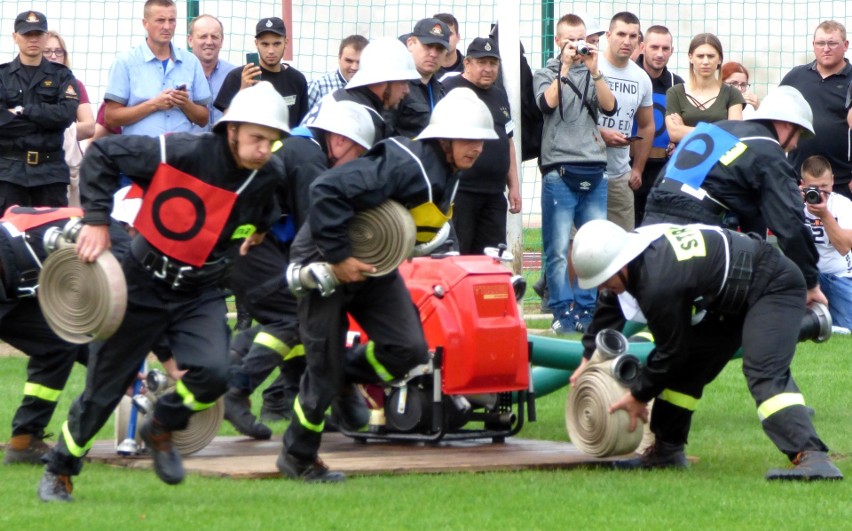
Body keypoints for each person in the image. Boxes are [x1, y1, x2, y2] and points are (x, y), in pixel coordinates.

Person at [37, 81, 290, 502]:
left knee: (214, 375)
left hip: (201, 293)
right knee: (102, 393)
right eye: (256, 138)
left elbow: (265, 211)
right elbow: (101, 153)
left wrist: (259, 232)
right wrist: (97, 220)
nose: (264, 149)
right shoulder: (182, 151)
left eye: (272, 141)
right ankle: (60, 470)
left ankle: (163, 424)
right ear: (232, 130)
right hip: (140, 284)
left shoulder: (270, 174)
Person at [278, 88, 497, 482]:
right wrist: (340, 256)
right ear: (444, 138)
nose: (477, 148)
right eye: (469, 139)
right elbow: (325, 190)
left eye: (481, 140)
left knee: (407, 349)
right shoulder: (406, 163)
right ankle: (298, 457)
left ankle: (340, 376)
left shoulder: (448, 174)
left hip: (373, 269)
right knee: (322, 373)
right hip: (325, 257)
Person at [571, 219, 843, 481]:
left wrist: (638, 395)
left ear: (620, 263)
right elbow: (610, 304)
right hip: (731, 297)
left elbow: (670, 352)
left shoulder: (658, 283)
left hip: (773, 285)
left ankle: (812, 455)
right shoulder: (635, 252)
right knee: (690, 365)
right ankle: (667, 452)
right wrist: (588, 356)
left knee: (763, 370)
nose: (602, 287)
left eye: (604, 279)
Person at [224, 99, 376, 438]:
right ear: (338, 141)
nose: (358, 163)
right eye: (359, 152)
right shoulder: (310, 161)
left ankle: (306, 397)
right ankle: (237, 390)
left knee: (297, 319)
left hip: (248, 247)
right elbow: (319, 228)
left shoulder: (302, 147)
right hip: (249, 247)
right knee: (296, 316)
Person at [644, 85, 826, 307]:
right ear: (787, 124)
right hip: (694, 224)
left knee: (651, 293)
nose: (796, 144)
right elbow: (790, 223)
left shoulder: (717, 129)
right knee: (747, 290)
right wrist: (810, 282)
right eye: (798, 134)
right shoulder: (768, 150)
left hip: (652, 213)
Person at [1, 202, 133, 465]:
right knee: (59, 340)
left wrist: (115, 365)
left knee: (58, 342)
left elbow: (78, 328)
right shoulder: (117, 240)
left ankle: (24, 439)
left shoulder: (81, 217)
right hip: (7, 271)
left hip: (13, 276)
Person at [532, 13, 616, 334]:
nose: (576, 45)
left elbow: (609, 107)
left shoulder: (594, 72)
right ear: (557, 41)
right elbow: (547, 104)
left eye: (581, 39)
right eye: (569, 40)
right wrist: (565, 68)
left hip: (595, 166)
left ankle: (586, 309)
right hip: (558, 168)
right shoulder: (545, 72)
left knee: (594, 247)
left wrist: (594, 70)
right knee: (556, 249)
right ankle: (561, 311)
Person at [443, 37, 521, 254]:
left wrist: (514, 186)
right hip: (462, 194)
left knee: (492, 259)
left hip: (495, 195)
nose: (488, 69)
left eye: (493, 63)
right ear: (467, 63)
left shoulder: (499, 94)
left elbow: (508, 142)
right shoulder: (448, 88)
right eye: (481, 62)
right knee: (460, 257)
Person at [0, 11, 79, 212]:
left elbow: (65, 116)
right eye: (27, 34)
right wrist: (45, 120)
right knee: (7, 240)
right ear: (15, 37)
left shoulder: (62, 76)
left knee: (50, 239)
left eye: (38, 33)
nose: (33, 39)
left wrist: (22, 110)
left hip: (50, 175)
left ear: (45, 36)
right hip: (9, 174)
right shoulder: (2, 76)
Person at [103, 0, 210, 136]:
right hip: (140, 152)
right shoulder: (125, 62)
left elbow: (203, 118)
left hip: (181, 152)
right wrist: (154, 104)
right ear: (145, 23)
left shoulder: (191, 62)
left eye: (172, 20)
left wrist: (185, 104)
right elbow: (111, 118)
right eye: (160, 20)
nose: (167, 26)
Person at [596, 12, 654, 232]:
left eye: (633, 36)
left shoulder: (641, 78)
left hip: (619, 174)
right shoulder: (591, 65)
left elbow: (647, 125)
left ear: (639, 42)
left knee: (621, 245)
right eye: (621, 34)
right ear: (608, 35)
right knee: (581, 244)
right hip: (584, 169)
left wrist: (637, 168)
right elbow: (571, 118)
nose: (627, 41)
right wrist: (602, 134)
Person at [782, 20, 852, 200]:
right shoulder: (796, 76)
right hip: (798, 180)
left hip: (843, 182)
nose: (826, 48)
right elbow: (775, 118)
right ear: (813, 45)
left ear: (845, 45)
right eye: (821, 43)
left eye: (832, 43)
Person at [312, 38, 420, 143]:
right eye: (402, 82)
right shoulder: (364, 118)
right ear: (382, 81)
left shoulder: (340, 96)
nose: (407, 90)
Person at [215, 16, 309, 129]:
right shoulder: (239, 76)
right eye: (265, 44)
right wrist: (243, 91)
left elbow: (303, 126)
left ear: (286, 42)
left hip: (288, 146)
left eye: (276, 44)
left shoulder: (297, 79)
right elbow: (228, 125)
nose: (271, 51)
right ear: (256, 44)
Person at [632, 25, 684, 226]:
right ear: (643, 46)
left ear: (672, 50)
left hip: (664, 169)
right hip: (627, 165)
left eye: (665, 48)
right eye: (654, 47)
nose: (660, 54)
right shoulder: (627, 75)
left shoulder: (677, 85)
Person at [42, 30, 95, 208]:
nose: (53, 56)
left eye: (58, 51)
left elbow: (89, 126)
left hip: (66, 165)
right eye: (47, 51)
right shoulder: (23, 84)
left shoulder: (75, 85)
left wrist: (59, 131)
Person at [800, 155, 852, 330]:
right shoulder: (793, 205)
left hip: (840, 276)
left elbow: (844, 246)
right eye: (814, 188)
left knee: (848, 327)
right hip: (805, 277)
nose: (821, 194)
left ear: (832, 180)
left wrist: (824, 215)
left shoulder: (843, 205)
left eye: (824, 186)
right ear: (803, 184)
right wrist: (792, 202)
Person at [665, 33, 743, 144]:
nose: (705, 62)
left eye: (711, 56)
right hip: (686, 159)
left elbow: (734, 134)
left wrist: (684, 129)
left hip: (721, 160)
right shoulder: (675, 92)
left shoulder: (732, 93)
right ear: (690, 57)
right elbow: (674, 134)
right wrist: (718, 131)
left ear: (719, 59)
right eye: (700, 56)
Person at [396, 17, 450, 138]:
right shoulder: (396, 87)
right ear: (410, 44)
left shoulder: (440, 90)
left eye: (440, 49)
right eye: (428, 46)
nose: (433, 54)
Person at [187, 14, 235, 133]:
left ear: (222, 41)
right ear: (190, 41)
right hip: (190, 147)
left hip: (224, 148)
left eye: (214, 37)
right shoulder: (178, 75)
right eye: (203, 36)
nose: (209, 42)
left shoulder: (234, 75)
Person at [306, 35, 368, 110]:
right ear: (339, 58)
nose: (354, 67)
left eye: (359, 62)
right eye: (349, 61)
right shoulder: (319, 87)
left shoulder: (374, 88)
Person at [433, 13, 464, 82]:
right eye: (440, 33)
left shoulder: (470, 68)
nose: (445, 38)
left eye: (449, 34)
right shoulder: (426, 69)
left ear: (458, 37)